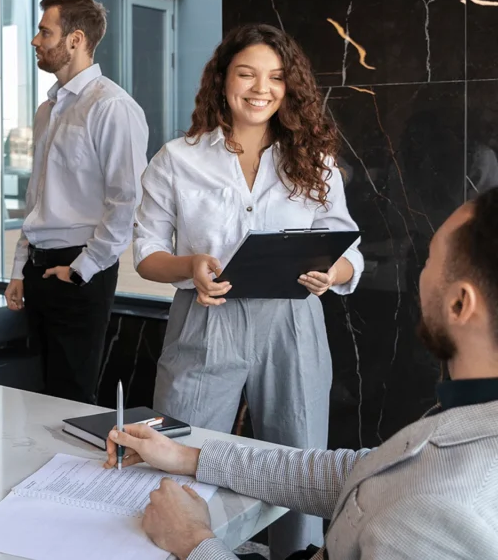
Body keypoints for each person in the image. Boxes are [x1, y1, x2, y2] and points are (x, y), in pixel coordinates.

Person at [106, 188, 498, 560]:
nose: (420, 275)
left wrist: (193, 540)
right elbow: (367, 471)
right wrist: (189, 457)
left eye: (427, 260)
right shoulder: (472, 417)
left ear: (460, 303)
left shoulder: (444, 510)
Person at [132, 24, 363, 558]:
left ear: (290, 88)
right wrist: (190, 265)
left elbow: (350, 250)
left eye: (277, 77)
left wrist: (333, 274)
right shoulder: (177, 158)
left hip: (292, 323)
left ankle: (297, 556)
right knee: (178, 453)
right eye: (247, 73)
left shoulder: (314, 158)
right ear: (222, 80)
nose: (262, 88)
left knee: (300, 462)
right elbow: (146, 255)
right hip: (205, 319)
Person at [4, 0, 148, 404]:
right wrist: (19, 269)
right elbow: (38, 199)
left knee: (71, 398)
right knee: (41, 397)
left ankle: (74, 472)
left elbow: (127, 202)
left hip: (79, 270)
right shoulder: (47, 109)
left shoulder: (112, 107)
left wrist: (82, 269)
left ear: (75, 39)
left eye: (44, 31)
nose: (35, 40)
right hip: (38, 270)